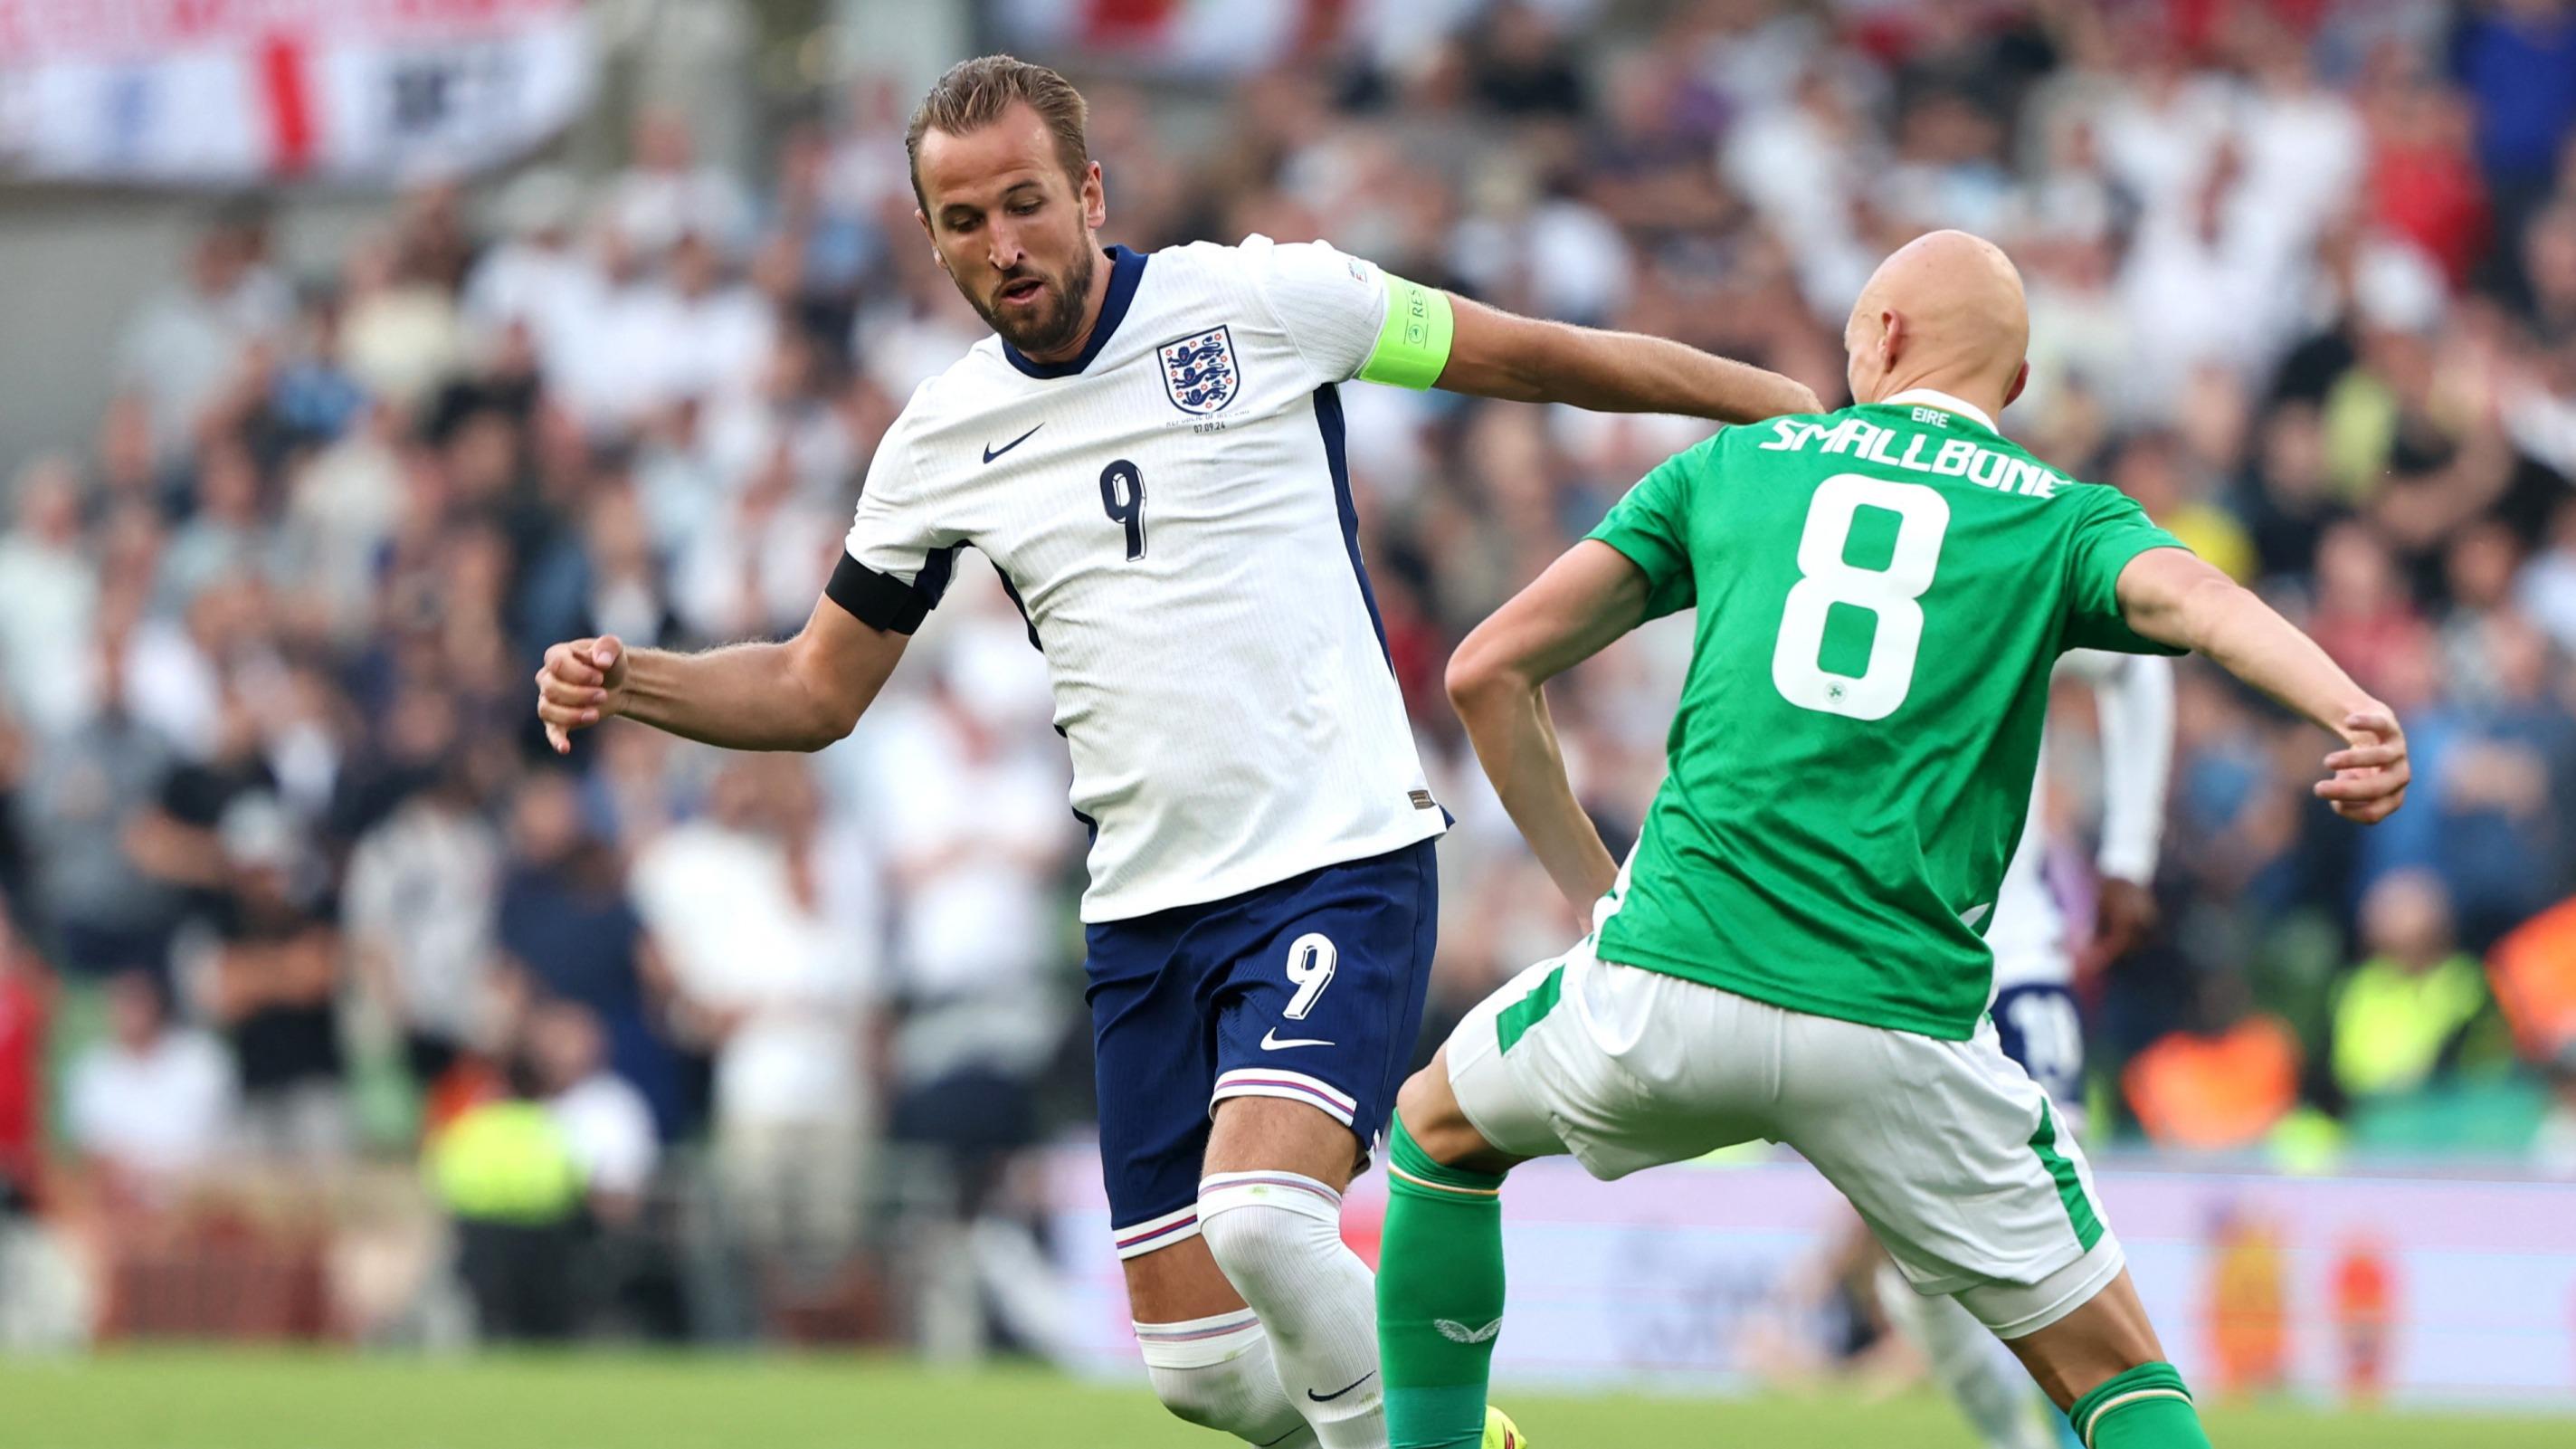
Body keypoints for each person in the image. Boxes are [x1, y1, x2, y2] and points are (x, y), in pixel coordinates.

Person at [537, 53, 1816, 1449]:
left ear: (1087, 192)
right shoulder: (938, 441)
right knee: (1200, 1372)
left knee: (1265, 1219)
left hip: (1335, 857)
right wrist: (633, 679)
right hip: (1144, 914)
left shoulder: (1264, 302)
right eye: (963, 222)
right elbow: (810, 686)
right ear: (929, 235)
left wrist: (1786, 411)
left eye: (1025, 204)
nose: (1002, 245)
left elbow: (1543, 355)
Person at [1377, 231, 2410, 1449]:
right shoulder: (2055, 516)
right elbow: (2199, 601)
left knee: (1437, 1134)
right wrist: (2345, 702)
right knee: (2115, 1375)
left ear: (1881, 339)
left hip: (1663, 987)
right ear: (2013, 387)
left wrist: (1598, 900)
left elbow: (1486, 669)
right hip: (1896, 1033)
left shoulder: (1739, 463)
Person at [1880, 648, 2172, 1449]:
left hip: (2015, 965)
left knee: (2053, 1242)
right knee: (1916, 1282)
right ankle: (2016, 1441)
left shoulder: (2009, 550)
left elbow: (2139, 668)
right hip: (1891, 976)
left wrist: (2127, 856)